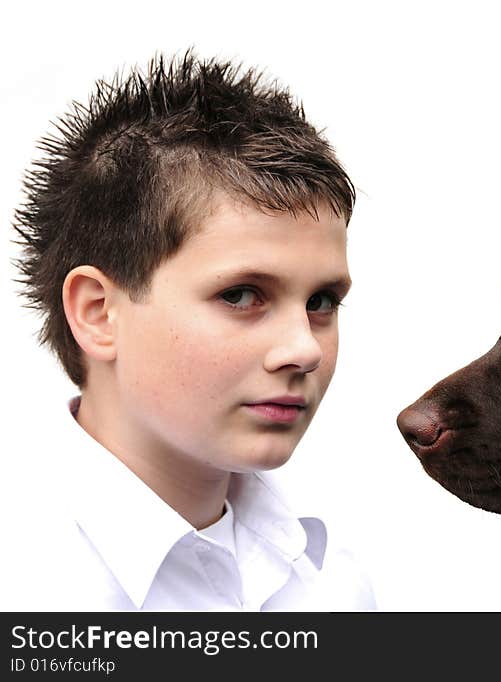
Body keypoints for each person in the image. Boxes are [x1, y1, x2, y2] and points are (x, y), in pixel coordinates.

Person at [7, 52, 376, 610]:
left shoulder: (330, 586)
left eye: (322, 302)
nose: (304, 349)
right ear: (98, 312)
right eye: (242, 295)